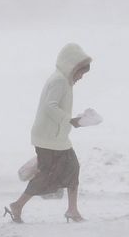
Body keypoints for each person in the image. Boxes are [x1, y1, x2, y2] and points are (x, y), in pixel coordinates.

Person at [5, 43, 92, 224]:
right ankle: (18, 205)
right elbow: (49, 106)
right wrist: (70, 120)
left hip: (57, 138)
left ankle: (72, 210)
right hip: (47, 138)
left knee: (72, 167)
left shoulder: (64, 80)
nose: (81, 77)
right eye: (81, 73)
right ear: (72, 66)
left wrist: (72, 121)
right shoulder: (59, 81)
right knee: (46, 175)